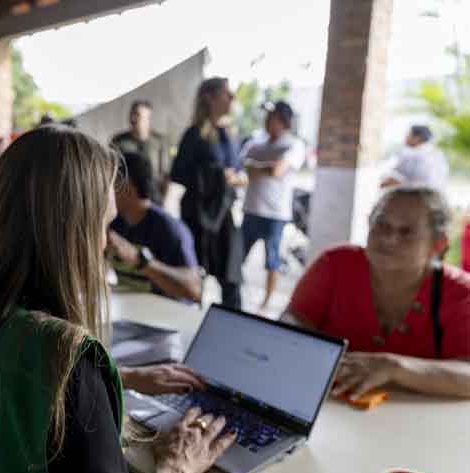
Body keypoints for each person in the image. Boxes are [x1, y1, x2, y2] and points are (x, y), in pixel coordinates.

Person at [0, 125, 236, 473]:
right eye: (103, 226)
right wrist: (177, 468)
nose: (104, 245)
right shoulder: (65, 360)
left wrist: (122, 380)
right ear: (73, 233)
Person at [284, 185, 470, 399]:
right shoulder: (335, 264)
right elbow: (293, 318)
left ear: (438, 245)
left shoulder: (461, 293)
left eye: (406, 232)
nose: (388, 238)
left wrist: (394, 368)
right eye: (381, 224)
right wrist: (315, 351)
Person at [170, 77, 247, 310]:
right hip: (198, 217)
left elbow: (239, 173)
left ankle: (233, 333)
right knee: (196, 278)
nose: (232, 98)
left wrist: (235, 178)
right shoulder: (194, 135)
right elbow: (178, 174)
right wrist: (213, 176)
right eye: (226, 93)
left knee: (232, 282)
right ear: (209, 98)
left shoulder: (229, 135)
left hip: (223, 217)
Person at [108, 152, 202, 302]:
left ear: (128, 186)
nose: (104, 190)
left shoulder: (169, 229)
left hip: (168, 319)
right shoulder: (113, 222)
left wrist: (141, 261)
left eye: (109, 182)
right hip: (131, 314)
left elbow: (194, 290)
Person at [241, 101, 306, 310]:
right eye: (268, 116)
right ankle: (239, 294)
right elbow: (242, 166)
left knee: (272, 261)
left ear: (284, 121)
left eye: (274, 117)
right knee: (237, 257)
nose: (268, 121)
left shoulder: (293, 145)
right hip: (251, 210)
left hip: (275, 214)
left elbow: (278, 170)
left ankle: (265, 304)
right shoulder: (256, 143)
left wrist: (257, 168)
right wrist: (264, 168)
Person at [110, 100, 170, 202]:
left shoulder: (159, 142)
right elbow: (113, 173)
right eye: (132, 114)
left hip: (154, 198)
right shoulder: (118, 142)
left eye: (138, 115)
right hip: (128, 198)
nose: (133, 118)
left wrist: (164, 199)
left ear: (148, 119)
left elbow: (165, 174)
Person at [381, 125, 449, 194]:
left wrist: (382, 184)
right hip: (437, 198)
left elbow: (395, 178)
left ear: (418, 138)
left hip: (415, 197)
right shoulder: (439, 154)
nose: (406, 138)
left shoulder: (411, 154)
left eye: (408, 135)